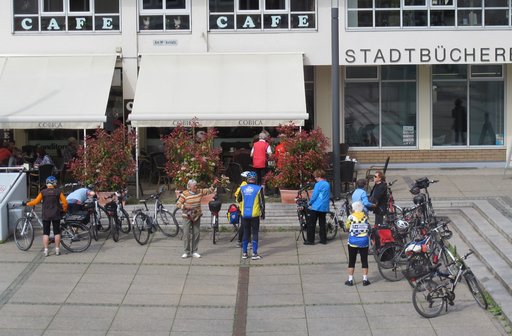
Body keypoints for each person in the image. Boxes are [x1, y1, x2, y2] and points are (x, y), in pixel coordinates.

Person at [24, 176, 68, 257]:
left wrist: (27, 203)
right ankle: (57, 250)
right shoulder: (58, 192)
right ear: (54, 183)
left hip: (46, 215)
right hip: (56, 214)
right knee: (57, 232)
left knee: (46, 233)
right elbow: (65, 202)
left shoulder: (43, 192)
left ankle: (46, 250)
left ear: (47, 183)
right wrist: (64, 210)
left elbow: (36, 201)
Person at [176, 179, 217, 258]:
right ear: (189, 187)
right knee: (186, 233)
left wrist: (214, 185)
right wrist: (184, 206)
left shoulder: (199, 191)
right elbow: (178, 203)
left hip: (196, 216)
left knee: (196, 233)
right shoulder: (185, 194)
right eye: (194, 186)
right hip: (187, 216)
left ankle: (194, 251)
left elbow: (209, 191)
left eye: (196, 185)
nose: (196, 187)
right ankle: (187, 252)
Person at [236, 171, 265, 260]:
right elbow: (262, 203)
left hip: (245, 214)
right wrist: (263, 213)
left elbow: (239, 199)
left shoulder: (242, 188)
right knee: (255, 232)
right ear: (255, 179)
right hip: (255, 214)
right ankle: (254, 254)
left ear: (247, 179)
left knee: (246, 232)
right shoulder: (259, 189)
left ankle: (244, 253)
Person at [344, 201, 371, 286]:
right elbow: (368, 227)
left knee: (352, 261)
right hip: (364, 241)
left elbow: (347, 227)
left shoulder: (351, 217)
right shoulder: (365, 217)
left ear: (353, 208)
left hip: (353, 242)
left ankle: (350, 280)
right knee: (364, 260)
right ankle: (365, 280)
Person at [304, 169, 330, 245]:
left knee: (311, 224)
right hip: (324, 207)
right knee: (322, 224)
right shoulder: (327, 184)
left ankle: (310, 240)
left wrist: (310, 203)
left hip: (316, 207)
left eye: (315, 177)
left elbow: (314, 195)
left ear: (318, 176)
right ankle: (323, 240)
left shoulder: (318, 184)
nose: (315, 178)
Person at [234, 171, 251, 247]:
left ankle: (240, 241)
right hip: (247, 208)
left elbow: (236, 197)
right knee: (247, 225)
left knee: (244, 225)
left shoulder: (241, 186)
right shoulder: (246, 186)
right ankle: (246, 241)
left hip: (242, 208)